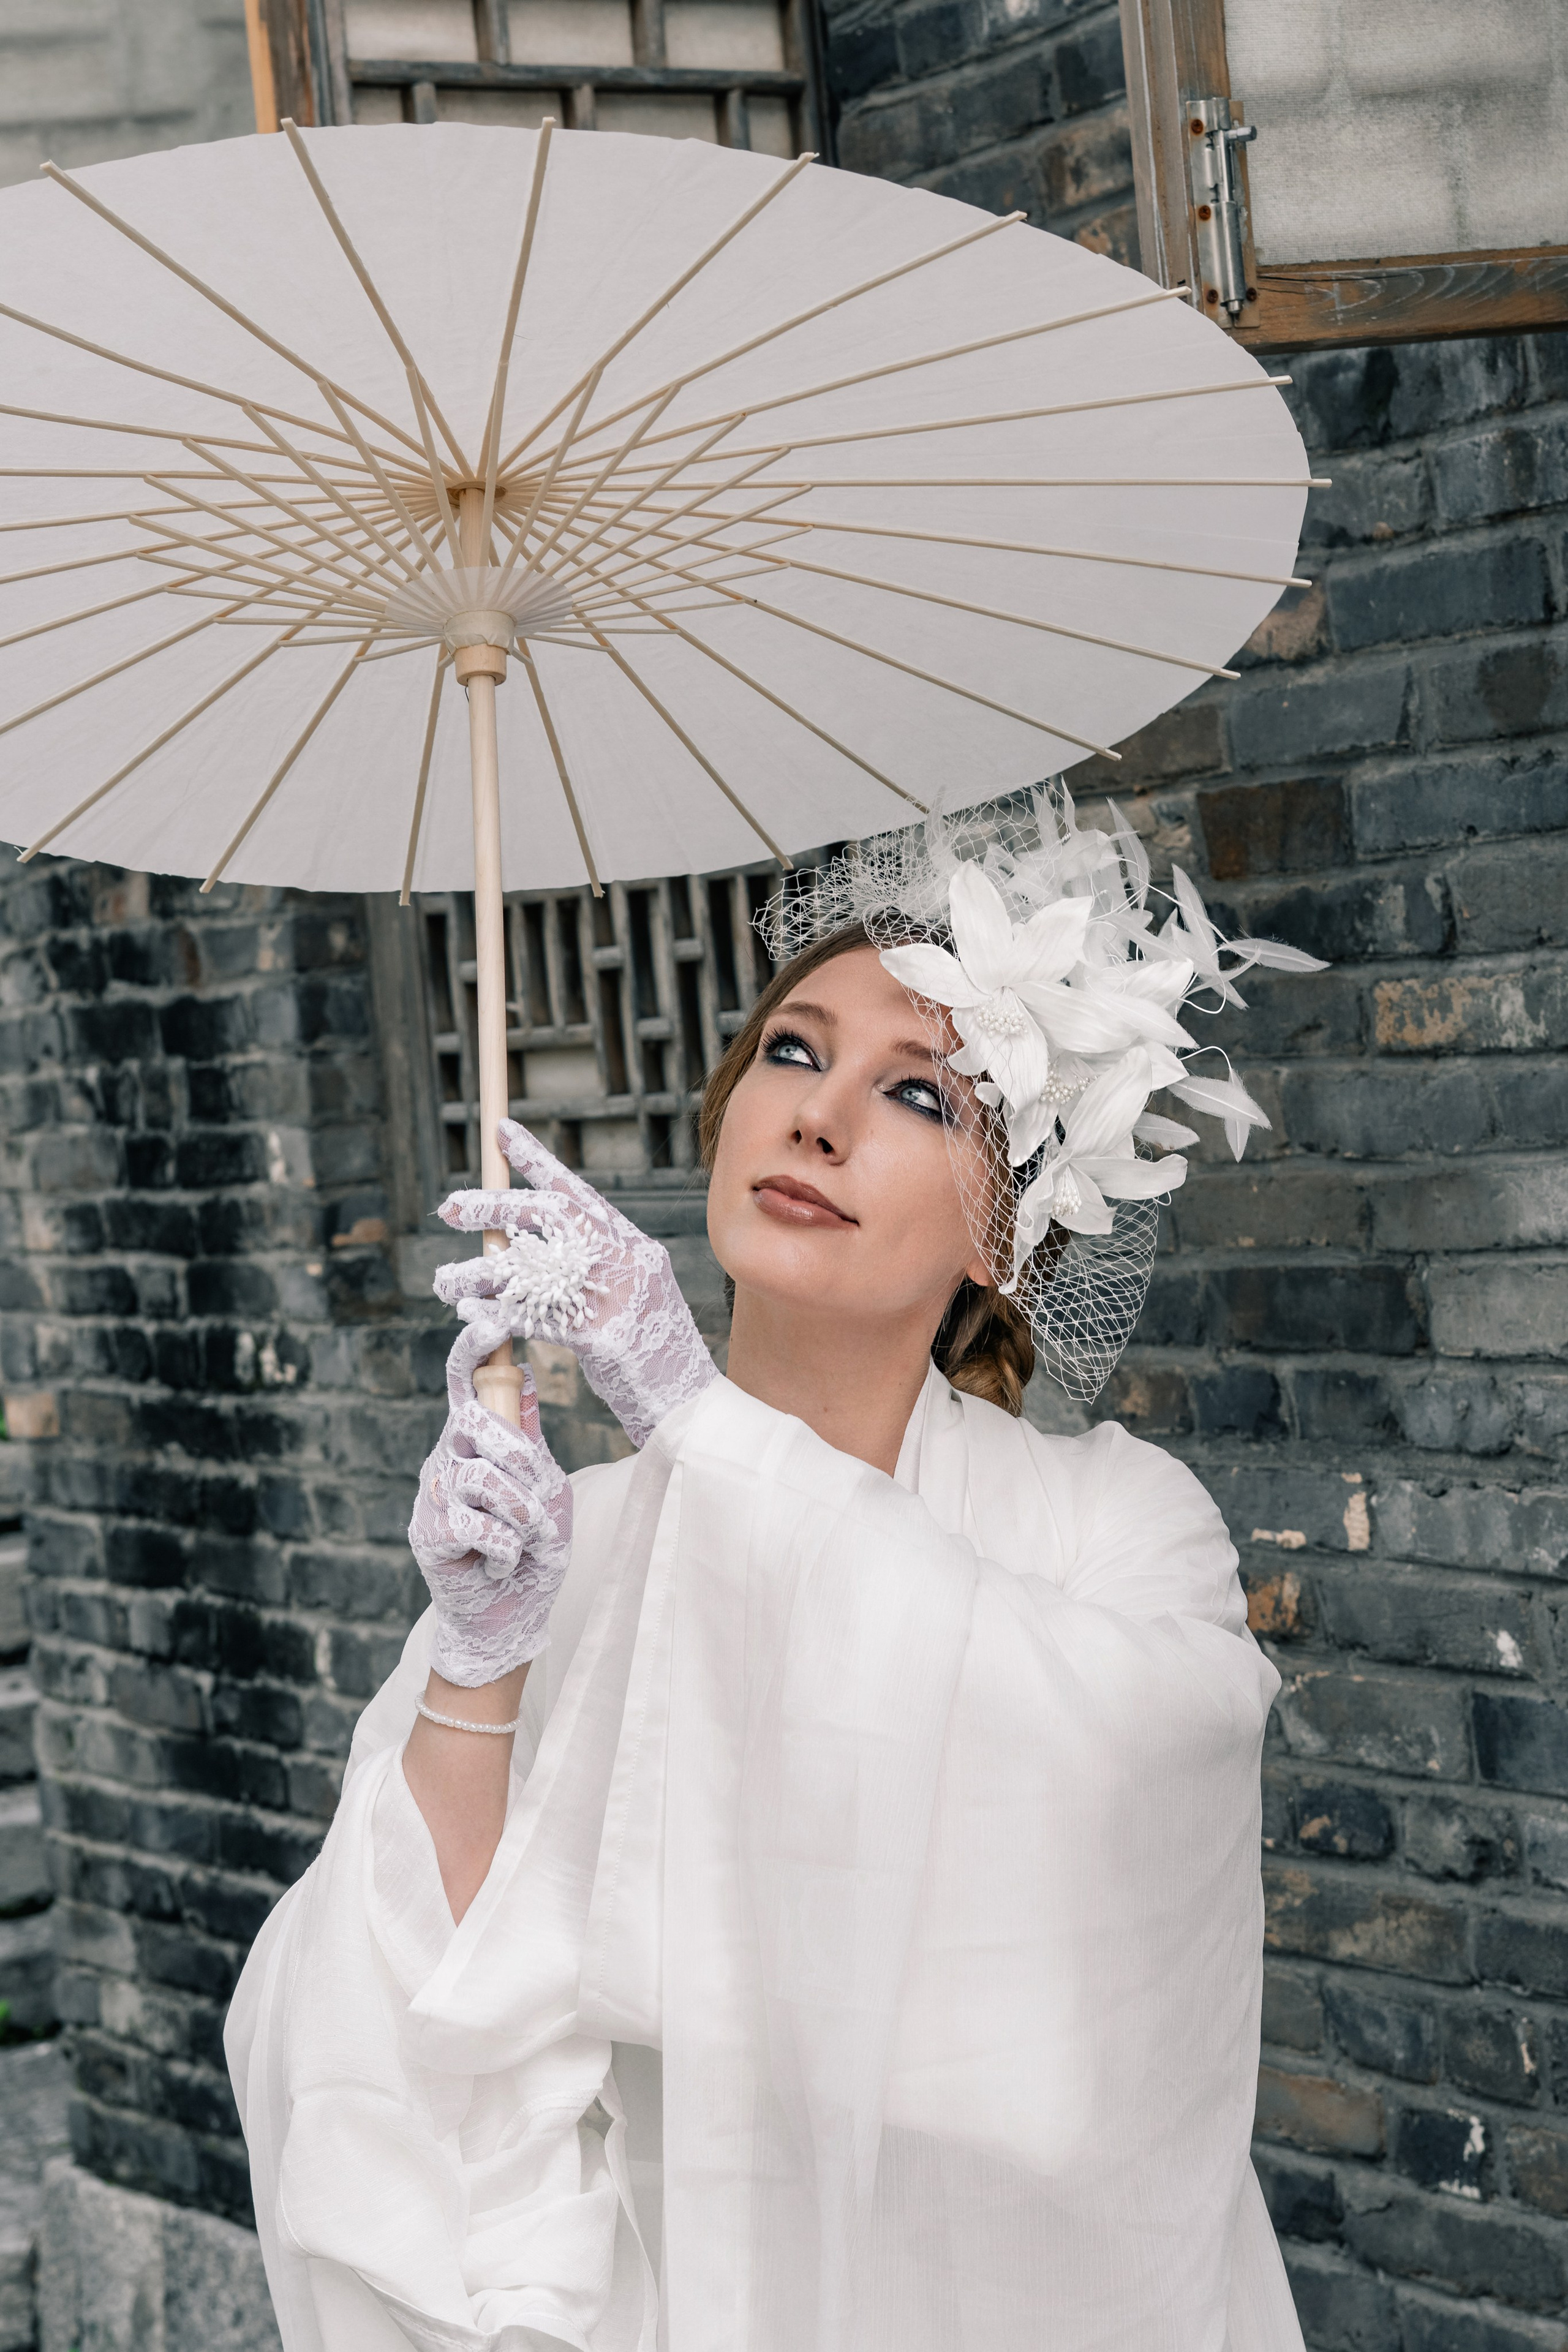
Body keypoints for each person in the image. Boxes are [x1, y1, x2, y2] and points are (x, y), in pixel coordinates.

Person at [227, 797, 1320, 2352]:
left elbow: (1090, 1950)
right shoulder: (579, 1542)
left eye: (920, 1099)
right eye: (791, 1055)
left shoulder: (1115, 1530)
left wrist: (694, 1418)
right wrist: (480, 1658)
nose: (816, 1118)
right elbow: (390, 2016)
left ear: (1004, 1233)